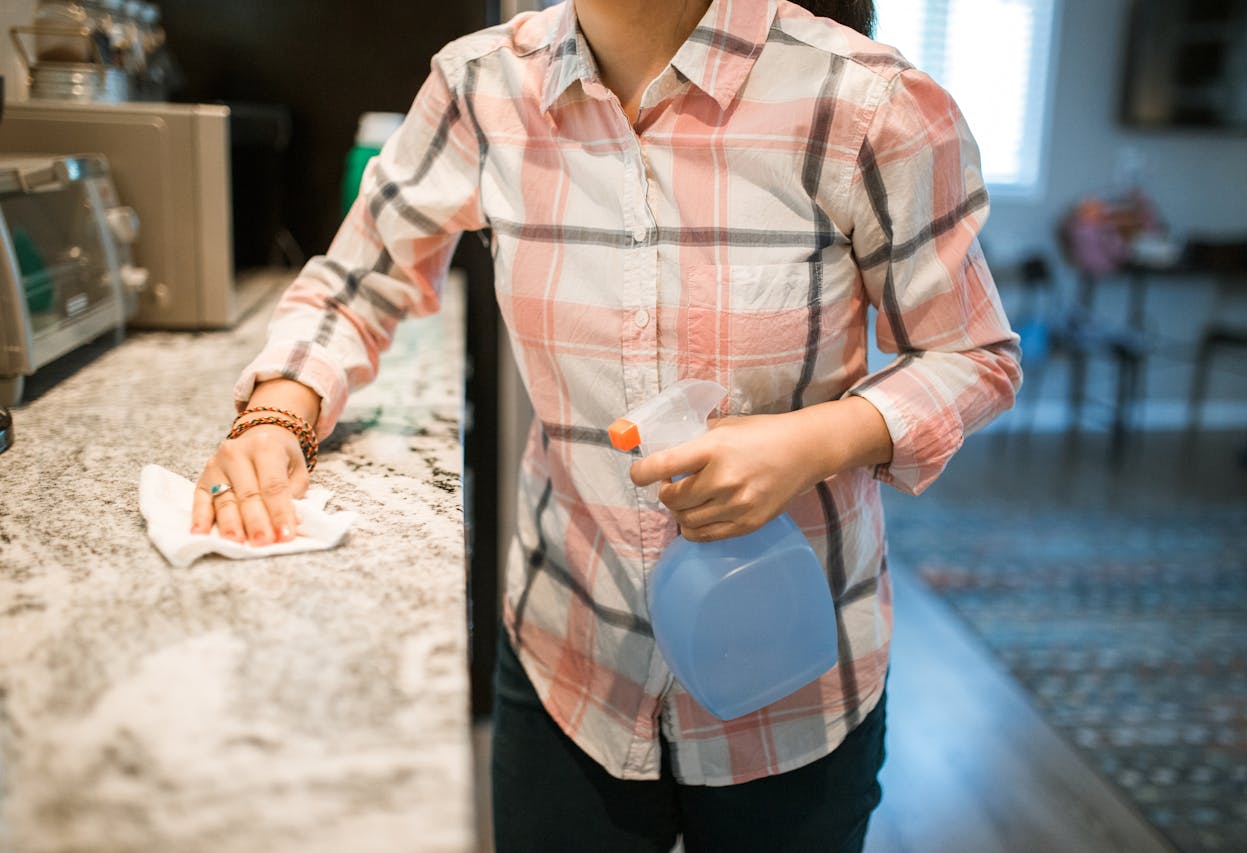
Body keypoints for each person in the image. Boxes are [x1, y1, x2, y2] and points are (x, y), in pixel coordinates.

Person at [193, 0, 1021, 848]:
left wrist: (811, 441)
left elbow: (975, 356)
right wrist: (279, 409)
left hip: (792, 687)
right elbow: (358, 278)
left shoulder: (869, 103)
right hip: (569, 658)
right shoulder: (482, 85)